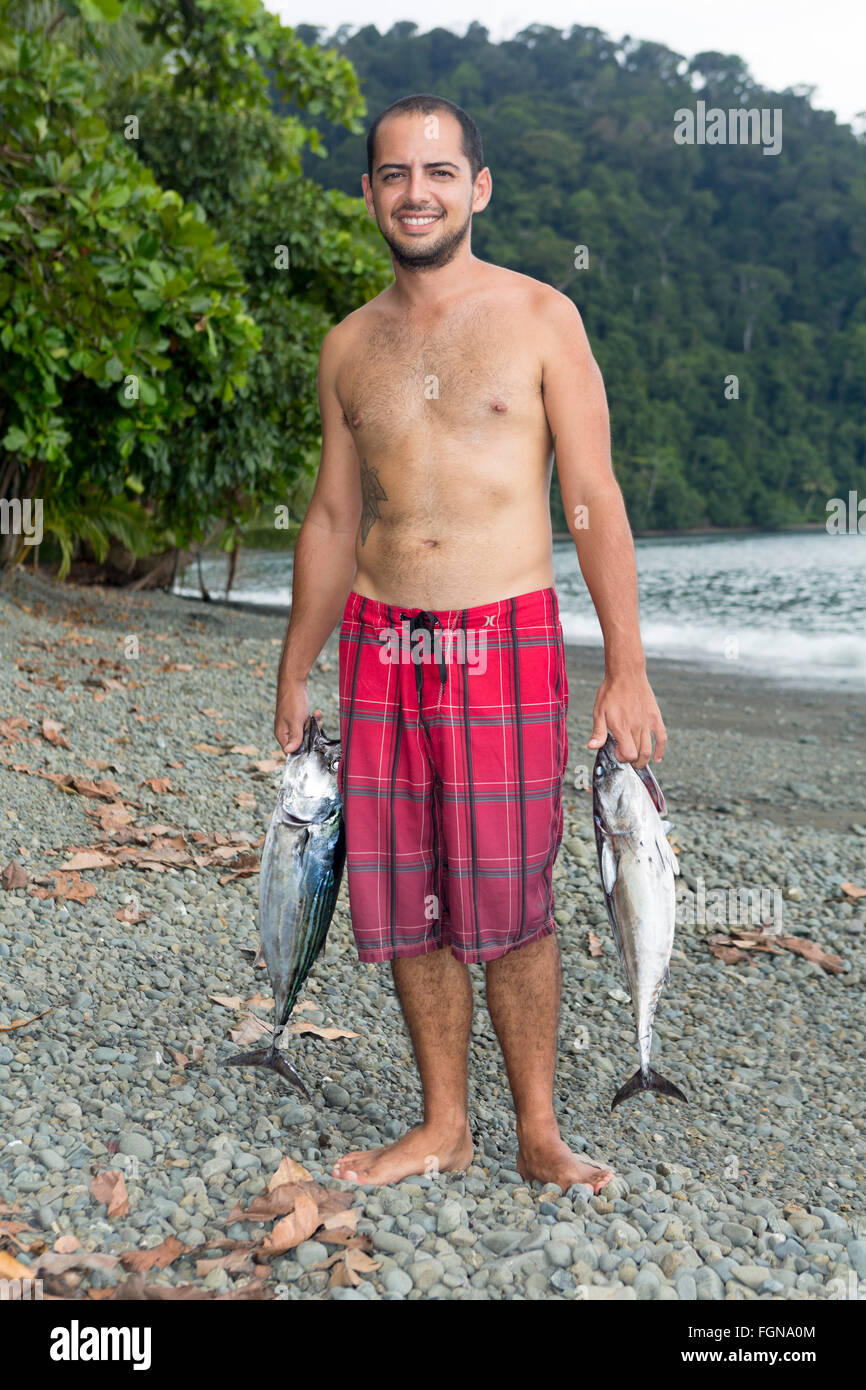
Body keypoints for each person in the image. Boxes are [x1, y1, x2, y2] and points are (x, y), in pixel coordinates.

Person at [274, 94, 666, 1193]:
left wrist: (625, 666)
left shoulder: (544, 319)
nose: (417, 192)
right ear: (368, 195)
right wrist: (295, 664)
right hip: (380, 639)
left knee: (507, 893)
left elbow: (589, 496)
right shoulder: (348, 346)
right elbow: (331, 519)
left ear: (477, 188)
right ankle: (443, 1122)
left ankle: (537, 1131)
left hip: (503, 633)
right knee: (405, 893)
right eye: (395, 174)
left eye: (439, 172)